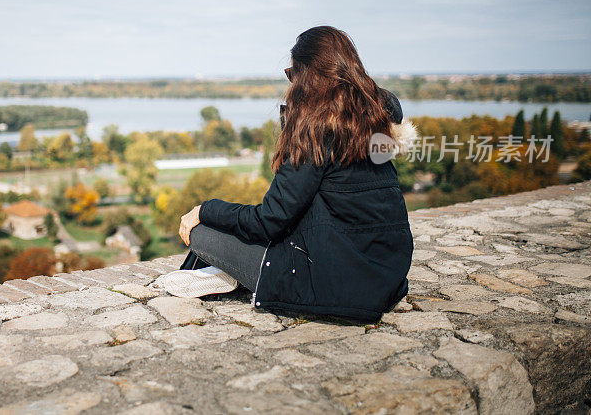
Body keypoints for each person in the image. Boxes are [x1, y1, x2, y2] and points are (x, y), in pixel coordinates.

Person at [163, 25, 415, 324]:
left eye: (293, 74)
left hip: (335, 285)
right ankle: (221, 275)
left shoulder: (316, 131)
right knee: (232, 225)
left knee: (201, 231)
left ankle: (225, 276)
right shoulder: (374, 120)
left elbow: (269, 222)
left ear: (306, 77)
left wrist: (206, 209)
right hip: (387, 277)